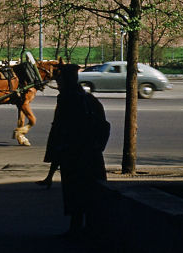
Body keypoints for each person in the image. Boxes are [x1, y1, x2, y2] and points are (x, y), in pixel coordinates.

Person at [45, 63, 110, 238]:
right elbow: (103, 125)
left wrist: (55, 150)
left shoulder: (67, 99)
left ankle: (76, 229)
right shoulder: (89, 98)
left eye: (59, 80)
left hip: (74, 152)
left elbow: (60, 127)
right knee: (90, 191)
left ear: (65, 80)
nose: (58, 84)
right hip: (92, 153)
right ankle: (90, 227)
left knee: (74, 191)